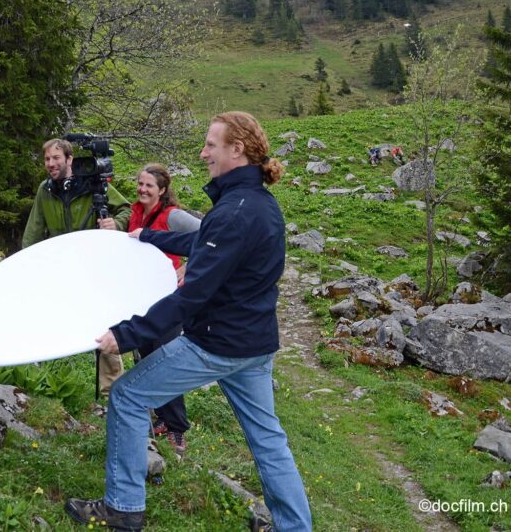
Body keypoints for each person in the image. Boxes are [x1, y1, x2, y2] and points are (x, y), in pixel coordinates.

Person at [65, 112, 312, 532]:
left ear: (237, 150)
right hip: (255, 344)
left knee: (127, 395)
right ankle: (294, 528)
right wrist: (147, 236)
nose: (203, 153)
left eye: (211, 145)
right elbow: (205, 242)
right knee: (268, 440)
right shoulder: (258, 204)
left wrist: (124, 335)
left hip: (217, 344)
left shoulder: (235, 211)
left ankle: (123, 509)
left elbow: (191, 295)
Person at [21, 137, 131, 395]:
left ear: (69, 160)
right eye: (47, 159)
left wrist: (116, 224)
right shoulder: (45, 190)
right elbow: (34, 230)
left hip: (94, 266)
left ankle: (111, 390)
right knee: (48, 316)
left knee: (103, 324)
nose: (51, 164)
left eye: (56, 158)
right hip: (60, 267)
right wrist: (26, 264)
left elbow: (127, 209)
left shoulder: (93, 184)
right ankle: (40, 380)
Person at [127, 163, 200, 456]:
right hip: (142, 296)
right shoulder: (135, 212)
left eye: (149, 186)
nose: (143, 189)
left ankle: (177, 428)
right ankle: (162, 417)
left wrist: (188, 266)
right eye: (140, 184)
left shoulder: (173, 216)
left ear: (163, 190)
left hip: (170, 299)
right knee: (147, 355)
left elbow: (212, 238)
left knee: (164, 359)